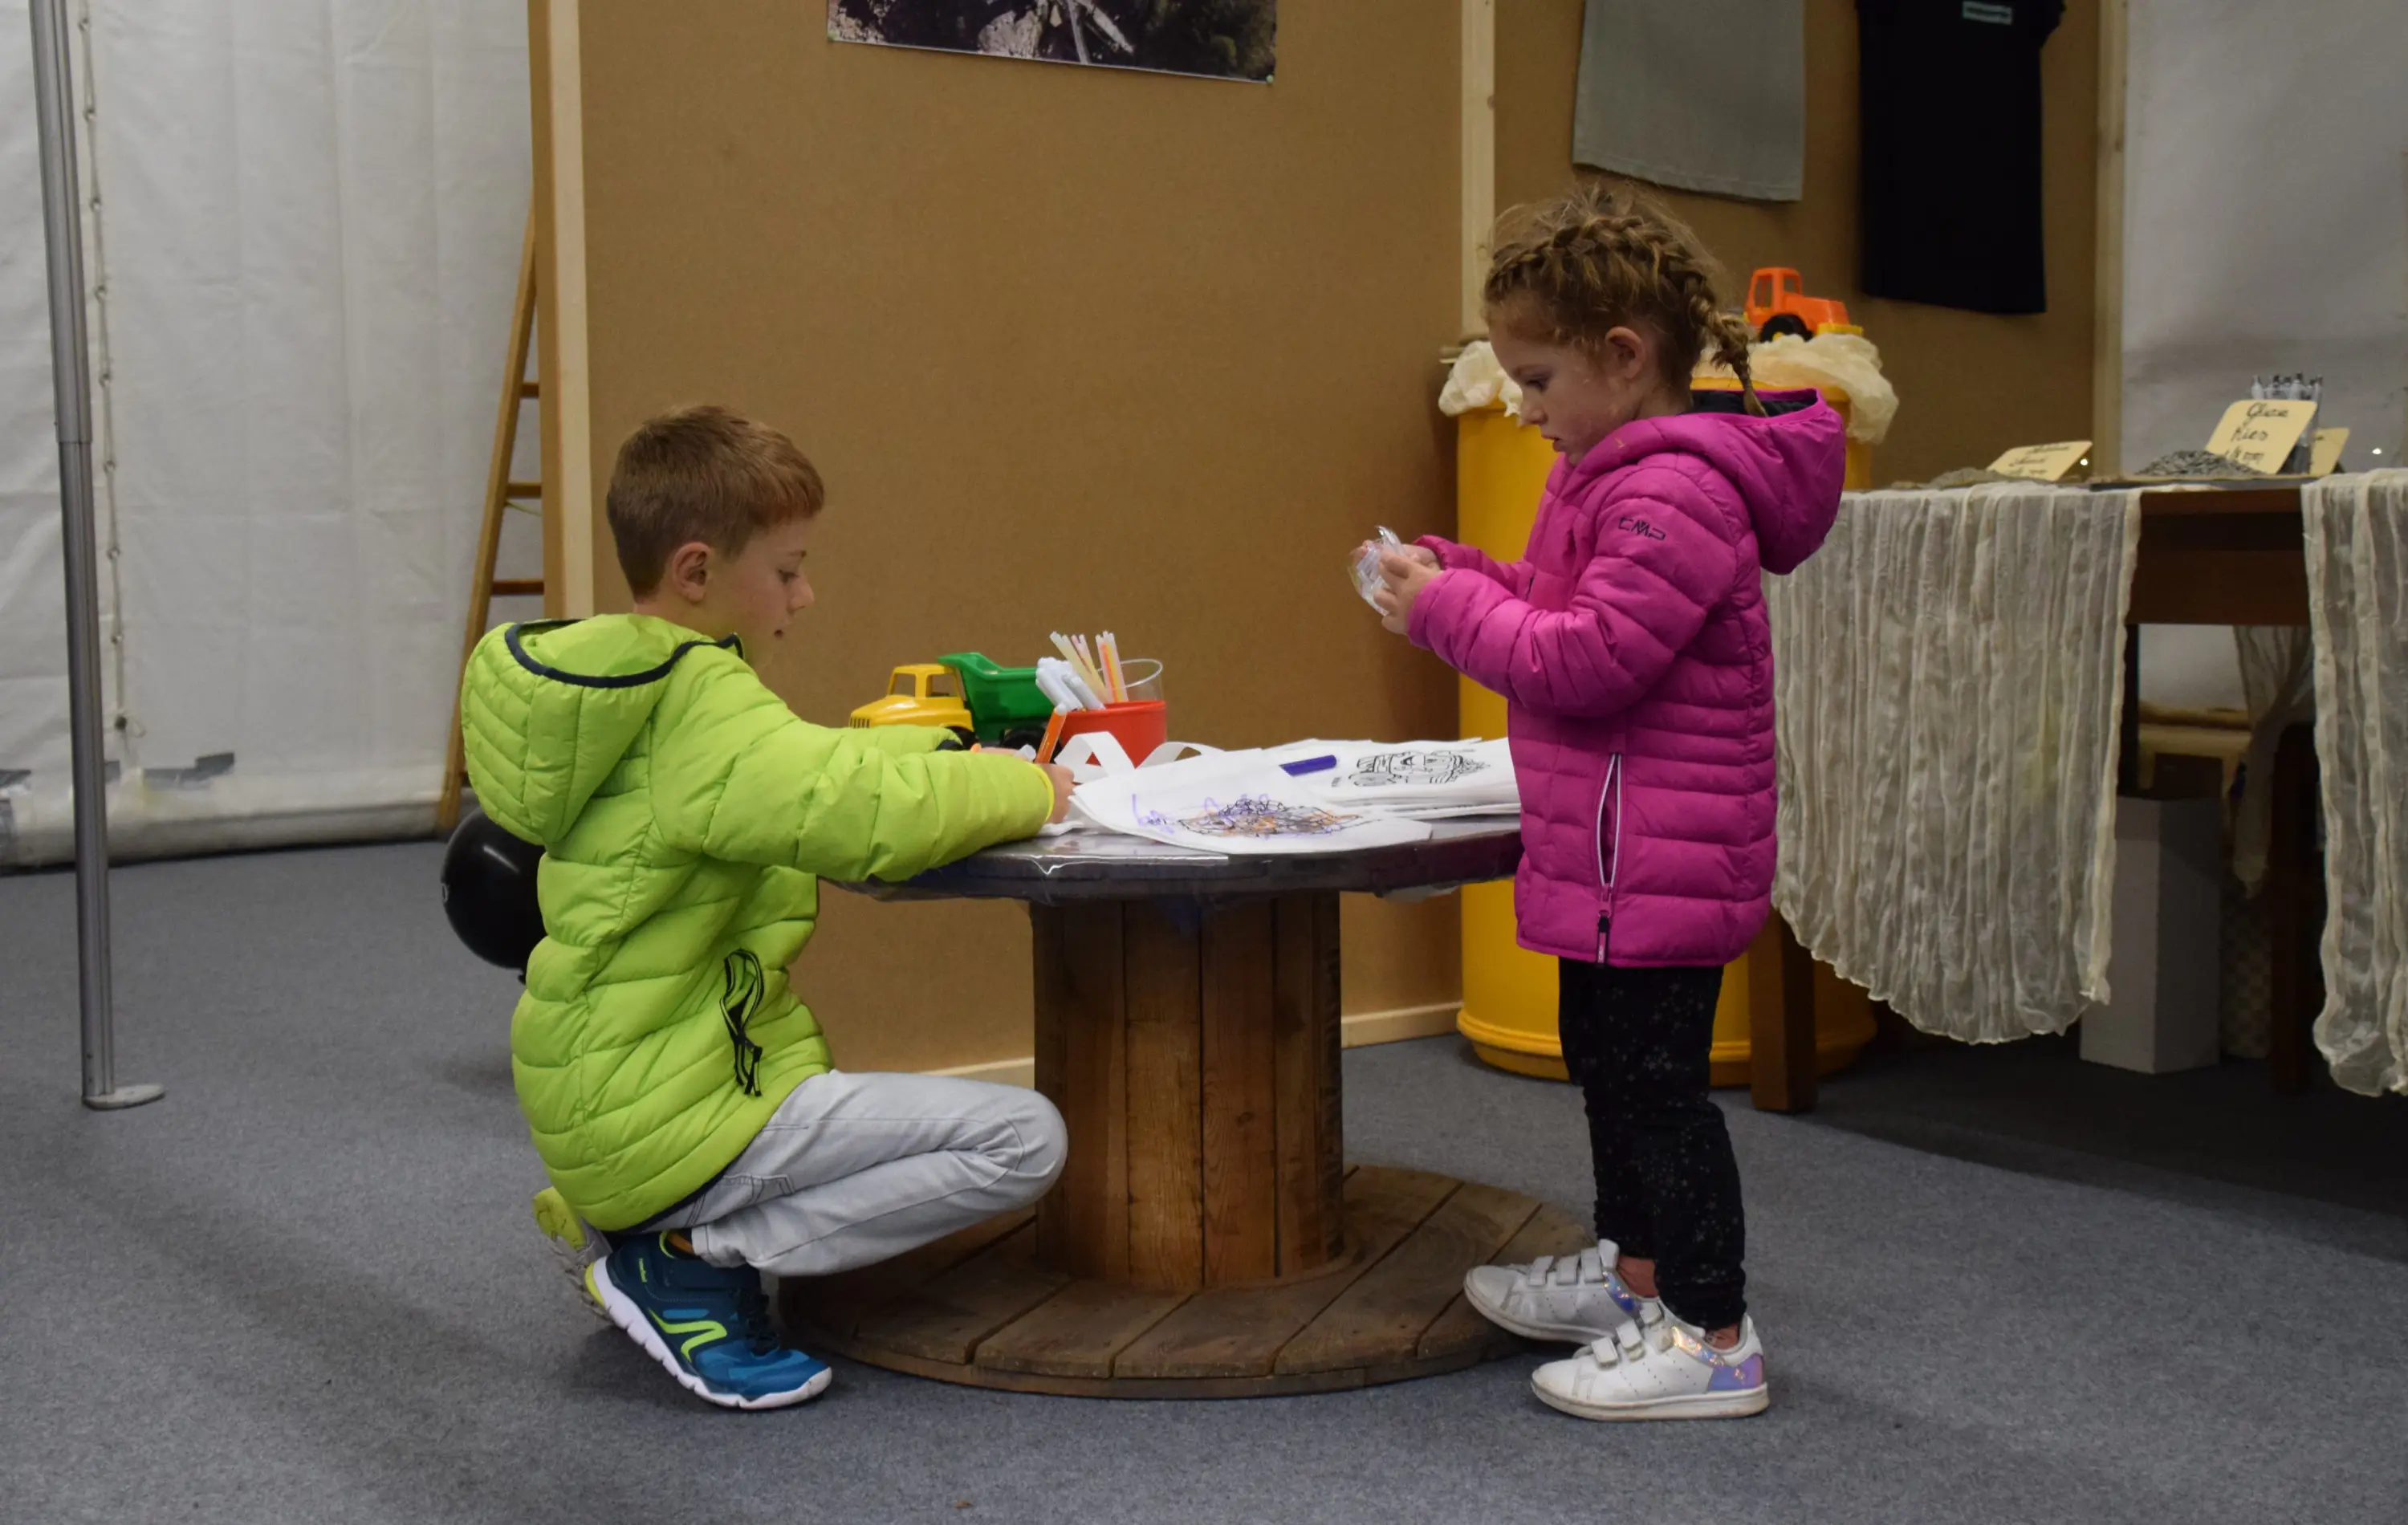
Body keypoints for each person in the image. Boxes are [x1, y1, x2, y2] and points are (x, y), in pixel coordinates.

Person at [461, 405, 1075, 1410]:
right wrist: (1035, 790)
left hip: (620, 1096)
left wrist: (956, 754)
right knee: (1024, 1140)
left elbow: (820, 763)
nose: (807, 591)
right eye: (787, 570)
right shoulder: (701, 704)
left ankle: (663, 1233)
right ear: (699, 572)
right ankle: (690, 1256)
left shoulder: (641, 686)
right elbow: (859, 813)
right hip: (668, 1112)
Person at [1366, 182, 1842, 1421]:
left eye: (1535, 379)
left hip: (1662, 863)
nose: (1522, 409)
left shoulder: (1671, 489)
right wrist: (1460, 573)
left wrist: (1439, 613)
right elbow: (1554, 597)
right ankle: (1638, 1282)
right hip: (1617, 855)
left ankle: (1713, 1336)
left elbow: (1586, 659)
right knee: (1610, 1070)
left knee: (1658, 1095)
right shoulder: (1611, 471)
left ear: (1623, 360)